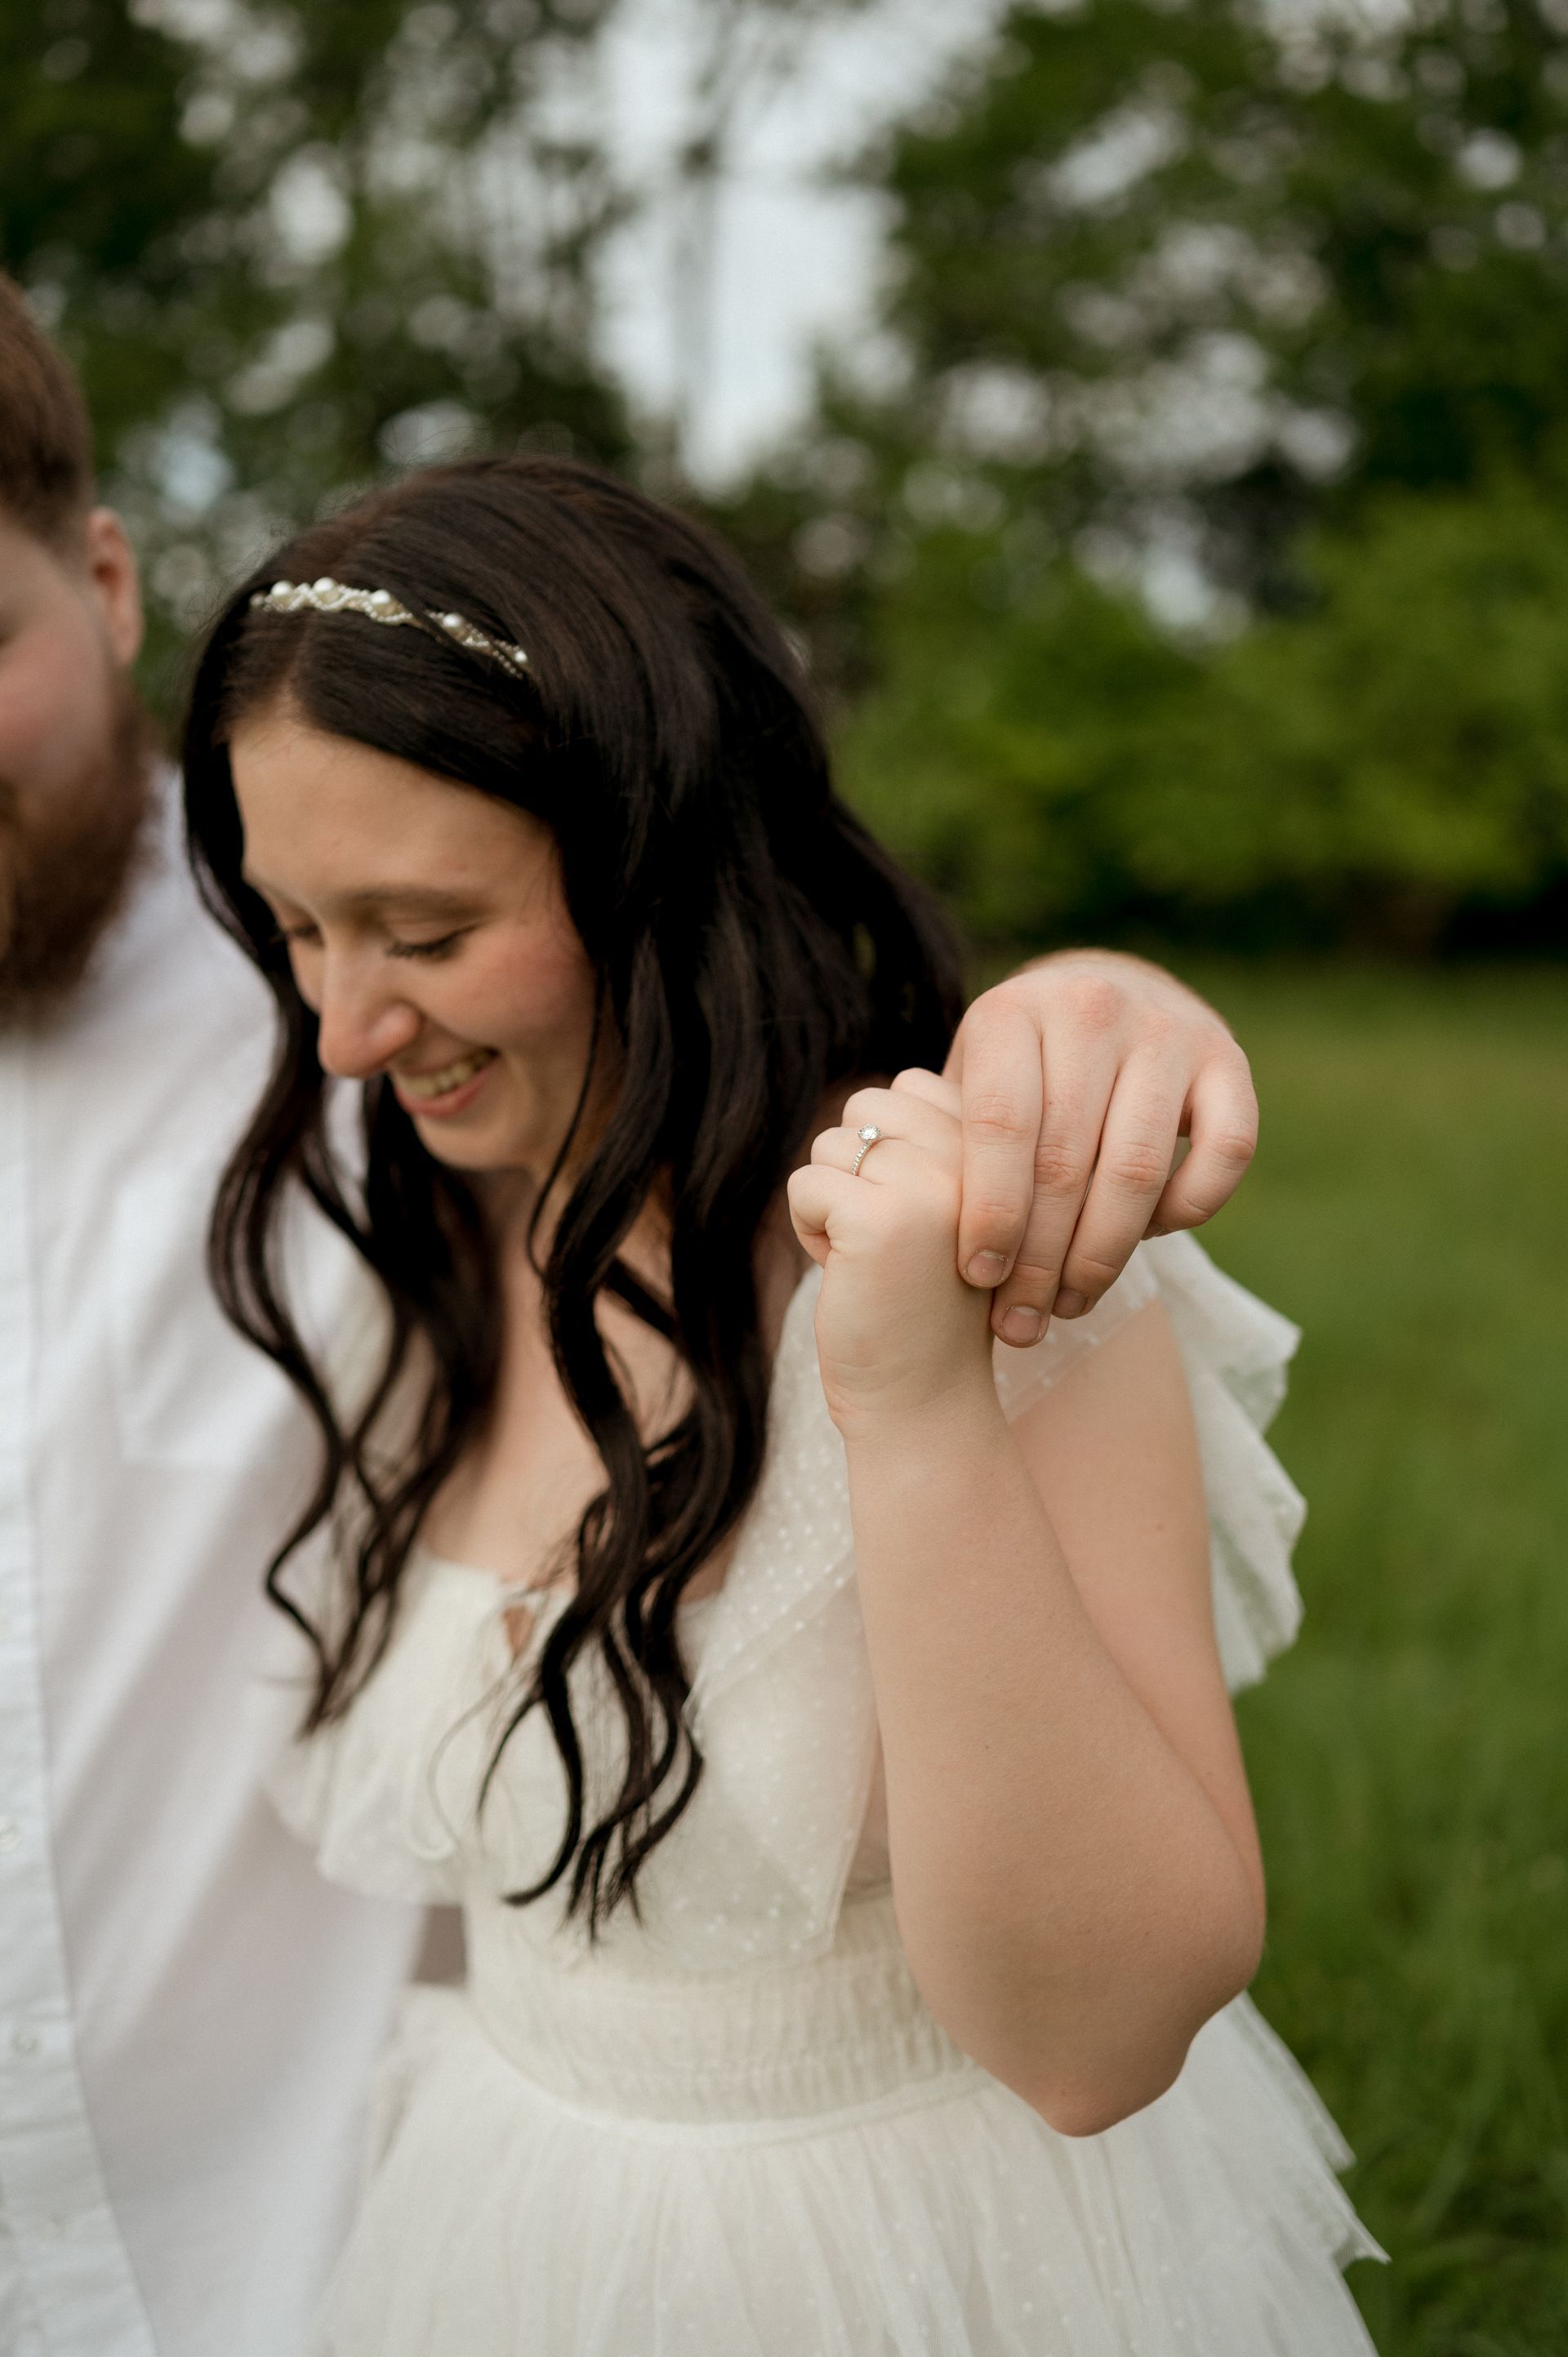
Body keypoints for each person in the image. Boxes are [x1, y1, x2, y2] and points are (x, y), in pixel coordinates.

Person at [0, 277, 1265, 2356]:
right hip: (480, 2230)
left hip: (907, 2274)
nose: (330, 1030)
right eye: (297, 926)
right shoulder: (426, 1227)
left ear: (661, 857)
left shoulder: (995, 1253)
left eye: (425, 931)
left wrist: (922, 1393)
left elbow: (1100, 2033)